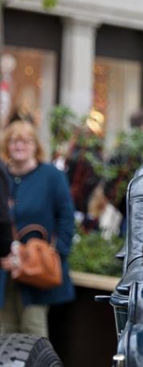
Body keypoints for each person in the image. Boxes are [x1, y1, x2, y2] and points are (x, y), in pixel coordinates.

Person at [0, 120, 75, 337]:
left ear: (35, 145)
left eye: (26, 140)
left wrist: (56, 254)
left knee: (33, 333)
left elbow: (66, 218)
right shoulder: (3, 176)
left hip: (36, 268)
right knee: (5, 334)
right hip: (5, 268)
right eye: (14, 140)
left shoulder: (51, 176)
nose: (19, 145)